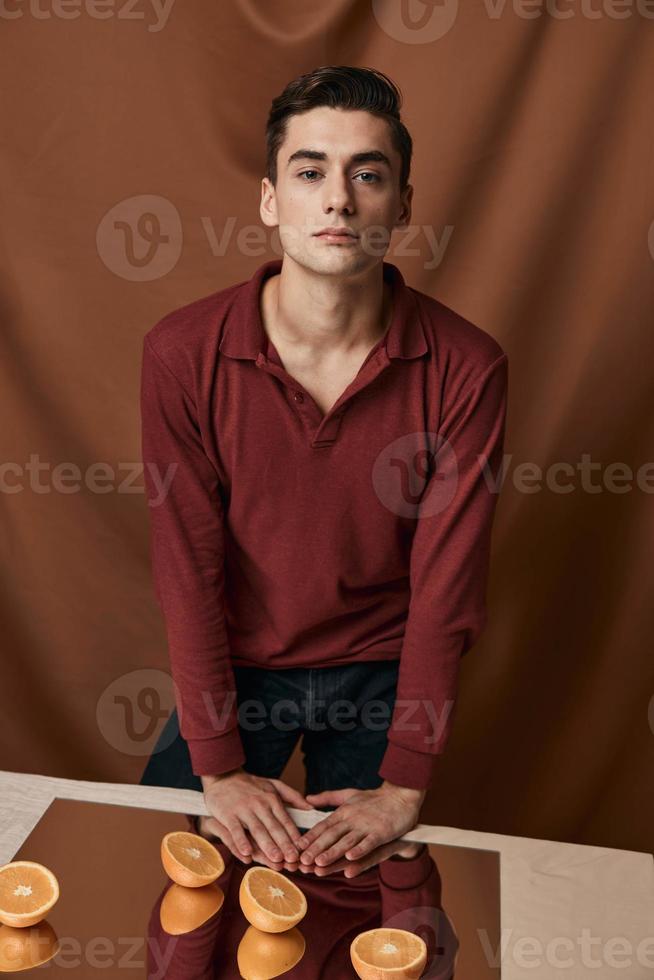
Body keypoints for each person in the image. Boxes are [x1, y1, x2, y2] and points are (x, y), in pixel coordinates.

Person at [139, 65, 508, 879]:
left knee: (379, 914)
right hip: (239, 669)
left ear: (403, 205)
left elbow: (447, 588)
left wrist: (406, 779)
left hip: (385, 669)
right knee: (171, 892)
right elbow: (187, 568)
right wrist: (219, 767)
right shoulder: (182, 354)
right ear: (272, 199)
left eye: (367, 175)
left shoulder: (467, 367)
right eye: (310, 172)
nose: (338, 199)